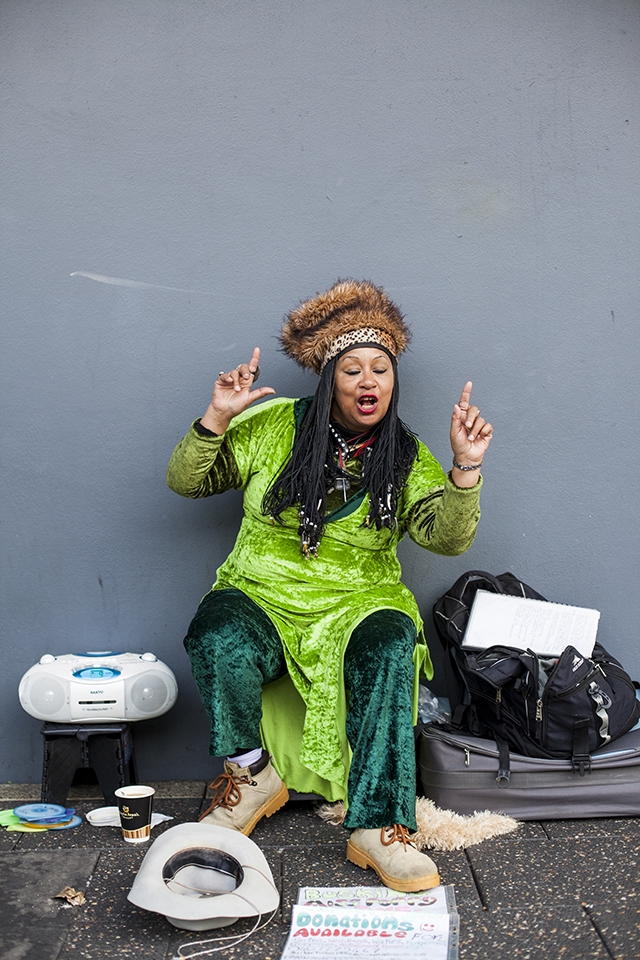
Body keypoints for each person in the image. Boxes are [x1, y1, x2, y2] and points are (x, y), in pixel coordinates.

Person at [166, 279, 493, 892]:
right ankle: (252, 774)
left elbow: (445, 538)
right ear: (329, 380)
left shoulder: (406, 454)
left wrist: (465, 469)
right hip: (262, 591)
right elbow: (187, 481)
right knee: (216, 636)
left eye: (381, 369)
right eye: (352, 370)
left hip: (358, 602)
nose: (368, 382)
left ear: (393, 381)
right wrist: (217, 418)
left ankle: (377, 827)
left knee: (393, 644)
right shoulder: (271, 428)